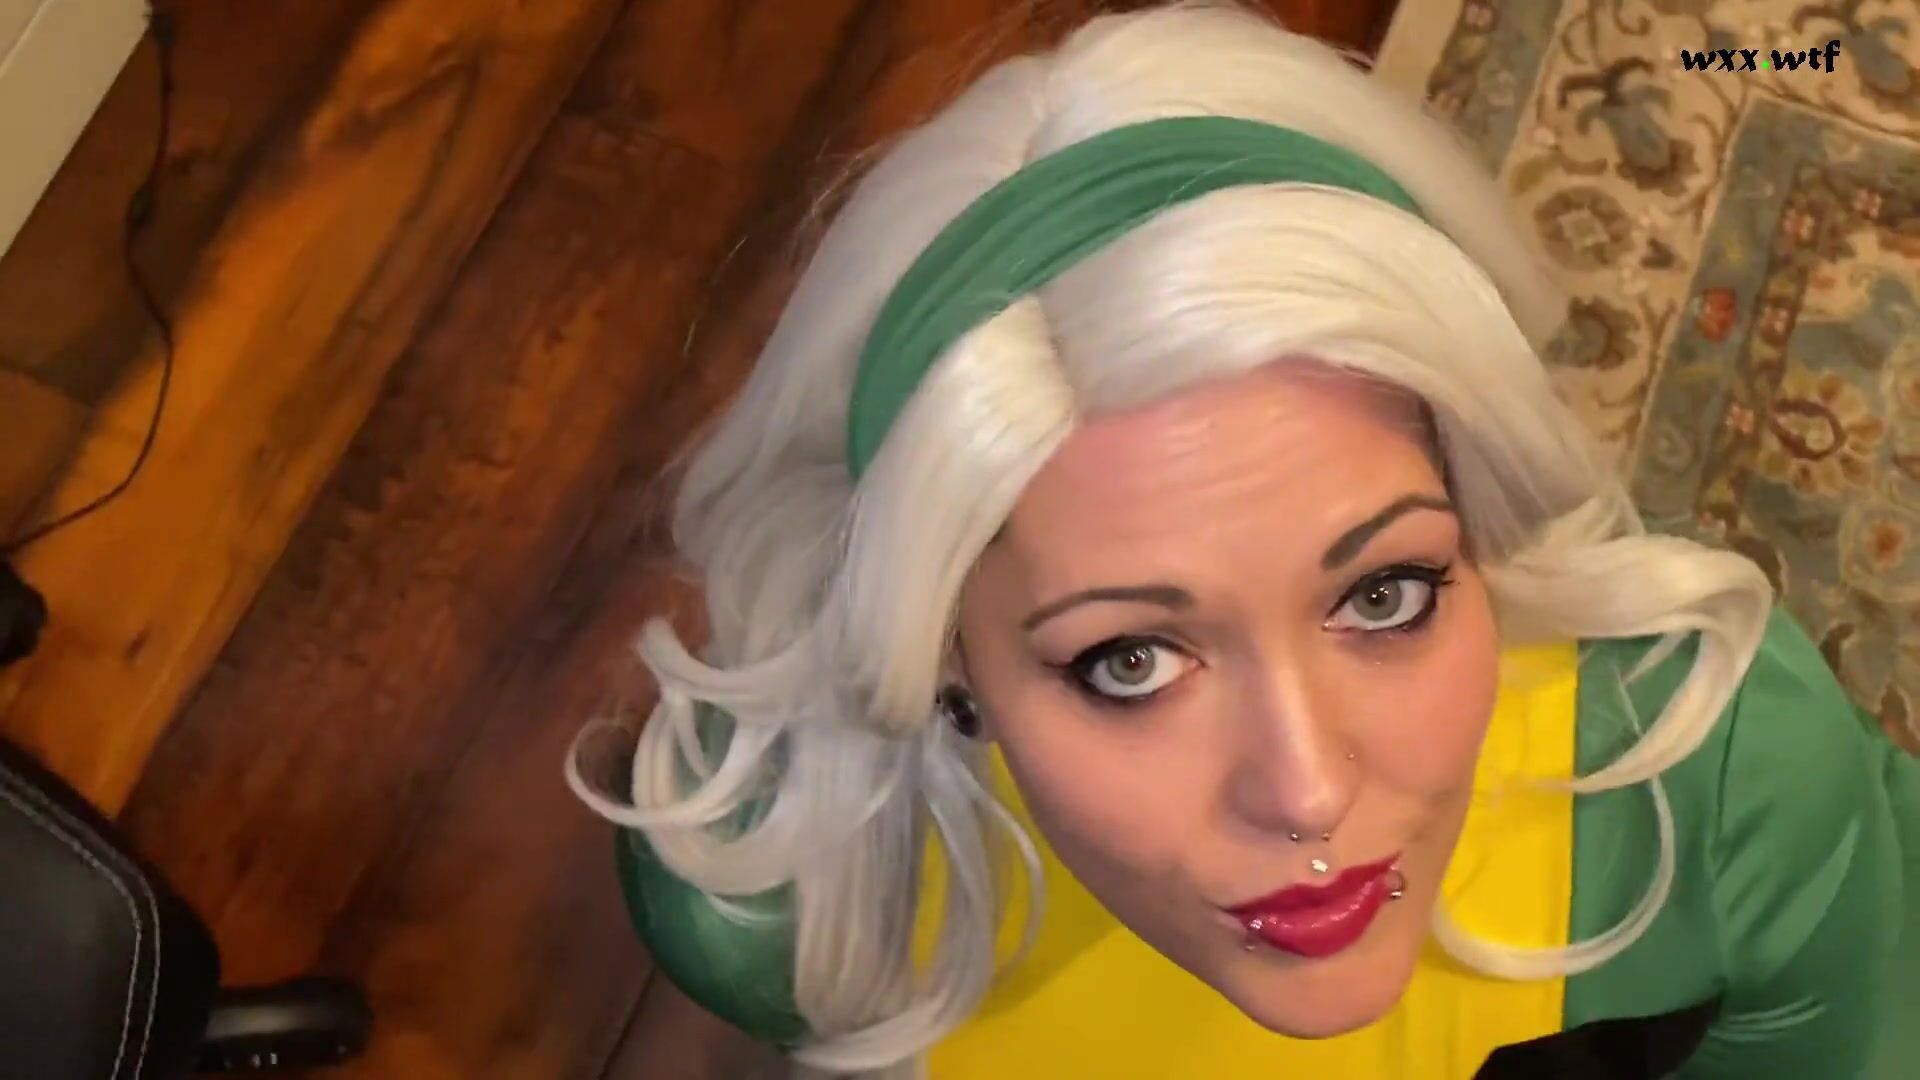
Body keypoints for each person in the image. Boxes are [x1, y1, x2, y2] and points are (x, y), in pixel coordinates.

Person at [566, 3, 1920, 1077]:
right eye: (1131, 663)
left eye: (1385, 595)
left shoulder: (1728, 782)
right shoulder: (774, 893)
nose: (1309, 792)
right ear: (942, 656)